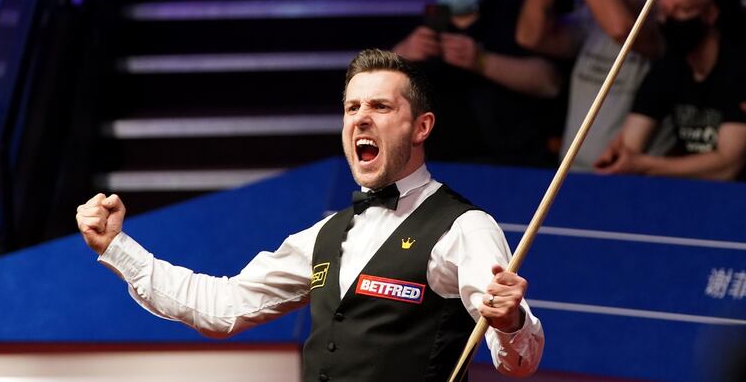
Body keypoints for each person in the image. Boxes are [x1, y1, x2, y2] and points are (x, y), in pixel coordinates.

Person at [76, 50, 544, 381]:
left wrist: (510, 323)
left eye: (380, 106)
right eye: (352, 107)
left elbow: (518, 362)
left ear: (421, 126)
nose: (361, 118)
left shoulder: (464, 227)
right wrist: (117, 248)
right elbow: (219, 308)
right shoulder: (325, 235)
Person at [516, 0, 687, 171]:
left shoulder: (668, 28)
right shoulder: (594, 18)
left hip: (628, 178)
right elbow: (530, 37)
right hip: (570, 173)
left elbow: (623, 31)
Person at [394, 0, 564, 166]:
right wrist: (400, 56)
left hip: (516, 163)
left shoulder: (517, 14)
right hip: (444, 169)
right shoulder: (423, 27)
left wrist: (482, 61)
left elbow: (550, 82)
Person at [595, 0, 746, 180]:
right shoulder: (668, 69)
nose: (669, 21)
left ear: (710, 14)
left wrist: (644, 165)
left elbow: (727, 166)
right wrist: (617, 158)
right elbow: (630, 144)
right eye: (663, 12)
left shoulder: (739, 68)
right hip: (686, 193)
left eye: (682, 10)